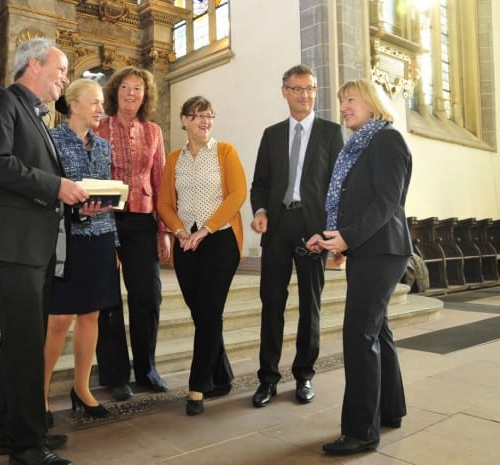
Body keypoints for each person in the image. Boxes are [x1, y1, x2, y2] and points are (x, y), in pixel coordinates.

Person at [0, 37, 86, 465]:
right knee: (25, 342)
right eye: (61, 68)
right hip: (9, 243)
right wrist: (57, 186)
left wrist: (72, 196)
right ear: (33, 65)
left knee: (17, 343)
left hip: (30, 245)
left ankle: (13, 433)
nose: (66, 78)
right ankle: (28, 446)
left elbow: (36, 177)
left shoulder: (38, 118)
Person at [311, 78, 412, 455]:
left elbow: (386, 202)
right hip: (371, 248)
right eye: (341, 102)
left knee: (359, 335)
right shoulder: (360, 145)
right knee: (377, 329)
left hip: (382, 249)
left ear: (371, 102)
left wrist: (348, 238)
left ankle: (360, 431)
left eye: (350, 99)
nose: (344, 107)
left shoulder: (387, 139)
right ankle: (390, 410)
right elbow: (357, 203)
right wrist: (328, 235)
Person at [249, 64, 344, 408]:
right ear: (284, 91)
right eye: (297, 88)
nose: (304, 95)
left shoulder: (332, 133)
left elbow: (338, 188)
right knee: (271, 305)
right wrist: (259, 212)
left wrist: (334, 234)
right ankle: (268, 379)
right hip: (277, 228)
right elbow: (259, 184)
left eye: (310, 89)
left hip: (313, 230)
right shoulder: (272, 134)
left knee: (311, 306)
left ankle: (304, 375)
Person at [157, 96, 247, 416]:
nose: (204, 121)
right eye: (197, 116)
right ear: (184, 121)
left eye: (209, 115)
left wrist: (206, 228)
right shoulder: (173, 159)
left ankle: (198, 386)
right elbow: (165, 202)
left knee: (208, 312)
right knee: (202, 313)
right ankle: (221, 374)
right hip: (186, 244)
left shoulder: (226, 152)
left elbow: (238, 194)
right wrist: (180, 231)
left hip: (219, 241)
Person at [43, 79, 119, 424]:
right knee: (59, 318)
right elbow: (46, 194)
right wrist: (76, 211)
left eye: (101, 103)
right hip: (67, 239)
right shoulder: (52, 141)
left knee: (91, 315)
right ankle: (39, 395)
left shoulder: (103, 146)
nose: (100, 109)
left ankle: (82, 389)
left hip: (100, 237)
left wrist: (114, 244)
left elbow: (107, 192)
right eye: (94, 103)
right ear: (73, 105)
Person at [95, 66, 170, 401]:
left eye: (138, 88)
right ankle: (114, 375)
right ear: (115, 92)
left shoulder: (153, 131)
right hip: (105, 219)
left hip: (142, 221)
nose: (131, 93)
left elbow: (161, 182)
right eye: (125, 87)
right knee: (107, 298)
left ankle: (147, 368)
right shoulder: (99, 126)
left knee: (148, 297)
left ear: (145, 95)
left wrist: (164, 230)